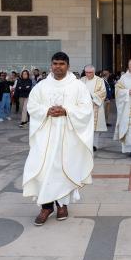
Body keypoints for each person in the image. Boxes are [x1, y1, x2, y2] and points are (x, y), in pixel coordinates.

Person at [23, 52, 94, 226]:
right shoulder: (41, 86)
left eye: (61, 64)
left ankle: (62, 205)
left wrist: (66, 110)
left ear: (68, 66)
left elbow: (86, 108)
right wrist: (47, 110)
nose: (58, 67)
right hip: (45, 135)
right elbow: (32, 105)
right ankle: (46, 207)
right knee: (43, 169)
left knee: (63, 169)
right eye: (55, 63)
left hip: (68, 136)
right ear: (51, 65)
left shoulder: (77, 86)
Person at [81, 65, 108, 151]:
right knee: (85, 126)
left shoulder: (100, 81)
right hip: (83, 107)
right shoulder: (81, 80)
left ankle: (94, 145)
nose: (88, 74)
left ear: (94, 72)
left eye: (90, 72)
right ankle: (86, 144)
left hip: (96, 106)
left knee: (95, 128)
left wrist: (92, 96)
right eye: (87, 72)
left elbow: (103, 92)